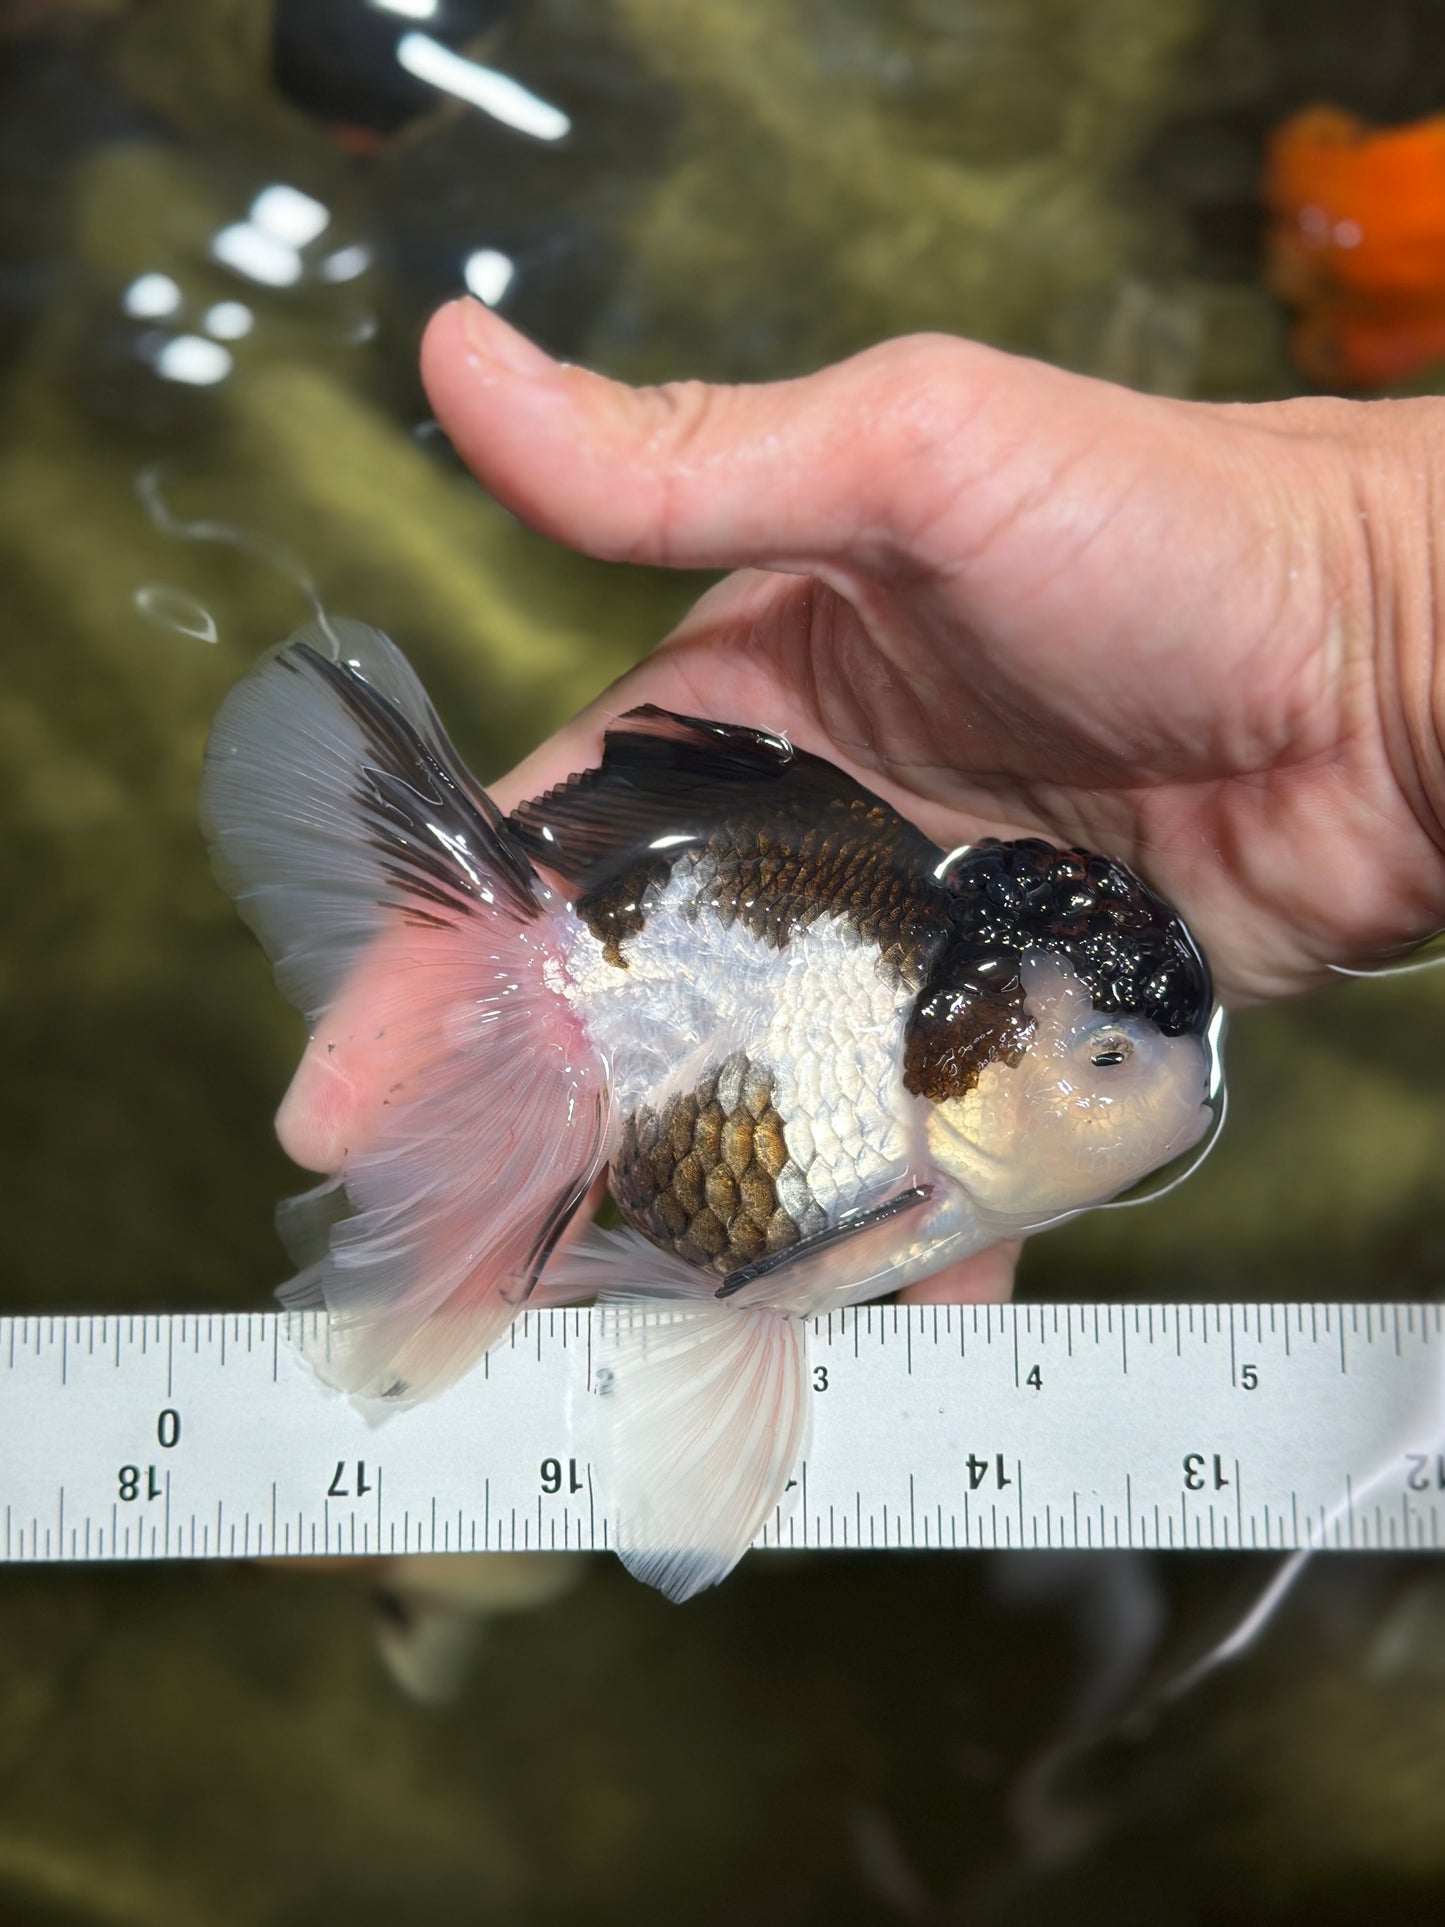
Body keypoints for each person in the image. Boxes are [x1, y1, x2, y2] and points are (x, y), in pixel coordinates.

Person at [275, 297, 1445, 1303]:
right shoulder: (922, 1126)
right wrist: (1375, 602)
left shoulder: (943, 1115)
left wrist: (1381, 598)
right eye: (1099, 1058)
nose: (1170, 1094)